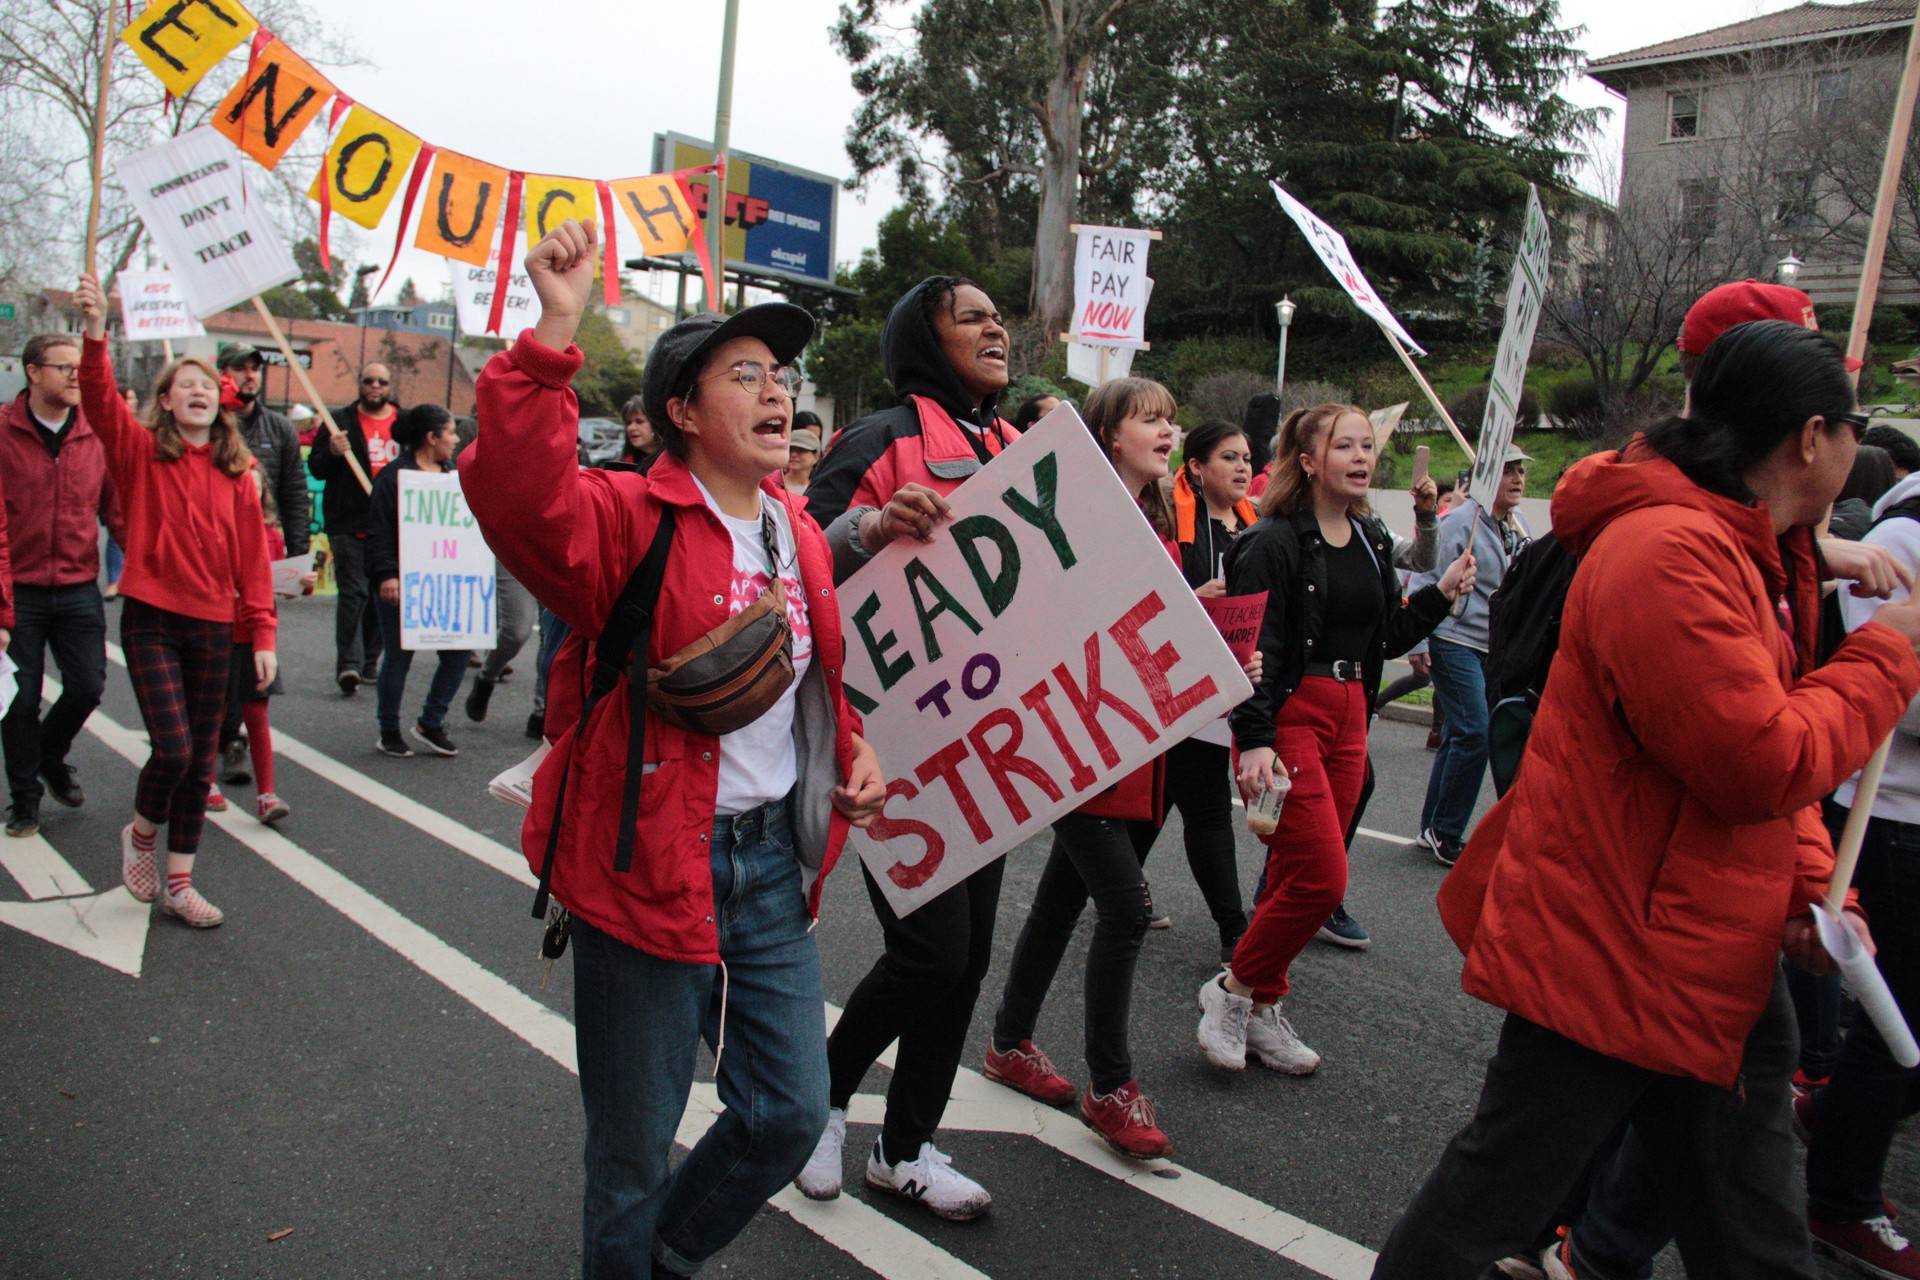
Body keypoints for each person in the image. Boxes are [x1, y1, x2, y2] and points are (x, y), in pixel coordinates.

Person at [1371, 320, 1920, 1279]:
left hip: (1711, 943)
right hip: (1613, 948)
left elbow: (1761, 768)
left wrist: (1812, 894)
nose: (1855, 449)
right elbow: (1760, 759)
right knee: (1483, 1211)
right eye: (1851, 427)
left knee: (1754, 1236)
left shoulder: (1755, 550)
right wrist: (1890, 653)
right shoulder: (1669, 555)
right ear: (1809, 437)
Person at [463, 217, 885, 1280]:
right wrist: (553, 334)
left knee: (789, 1111)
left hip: (768, 870)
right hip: (643, 865)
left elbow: (815, 674)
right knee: (631, 1149)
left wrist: (855, 750)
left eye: (781, 374)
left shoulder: (793, 526)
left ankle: (657, 1255)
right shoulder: (626, 516)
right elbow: (517, 495)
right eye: (745, 374)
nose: (777, 392)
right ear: (683, 412)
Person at [982, 383, 1261, 1161]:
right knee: (1128, 910)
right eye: (1151, 419)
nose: (1168, 430)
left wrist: (1210, 633)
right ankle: (1111, 1088)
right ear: (1106, 433)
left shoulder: (1151, 516)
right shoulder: (1083, 512)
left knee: (1060, 902)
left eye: (1172, 419)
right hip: (1076, 741)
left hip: (1127, 750)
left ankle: (1008, 1042)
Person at [796, 275, 1021, 1220]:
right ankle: (821, 1099)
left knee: (966, 961)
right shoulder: (877, 440)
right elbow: (799, 553)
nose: (994, 326)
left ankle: (905, 1149)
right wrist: (873, 529)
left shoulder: (1019, 448)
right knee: (930, 953)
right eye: (969, 316)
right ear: (921, 340)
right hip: (895, 744)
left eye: (996, 314)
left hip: (1001, 740)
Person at [1196, 403, 1474, 1076]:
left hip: (1351, 716)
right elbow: (1254, 648)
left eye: (1366, 446)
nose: (1361, 457)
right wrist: (1254, 737)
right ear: (1309, 459)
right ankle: (1232, 993)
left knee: (1297, 874)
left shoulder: (1372, 537)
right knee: (1322, 877)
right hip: (1290, 717)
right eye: (1344, 446)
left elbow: (1386, 639)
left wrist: (1438, 594)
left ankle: (1264, 1006)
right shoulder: (1271, 543)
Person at [75, 273, 277, 930]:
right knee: (174, 749)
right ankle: (139, 837)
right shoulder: (139, 453)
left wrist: (264, 634)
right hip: (153, 620)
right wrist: (96, 333)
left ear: (220, 405)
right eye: (182, 385)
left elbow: (253, 562)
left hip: (216, 626)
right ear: (165, 402)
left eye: (205, 386)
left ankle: (181, 882)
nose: (196, 391)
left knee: (201, 761)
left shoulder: (239, 475)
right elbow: (101, 400)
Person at [1800, 460, 1920, 1276]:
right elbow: (1870, 690)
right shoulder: (1902, 537)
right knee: (1896, 1025)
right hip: (1885, 815)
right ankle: (1840, 1195)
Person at [1, 333, 115, 839]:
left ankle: (51, 754)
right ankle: (25, 801)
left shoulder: (95, 433)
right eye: (63, 366)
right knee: (19, 700)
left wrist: (139, 563)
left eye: (79, 367)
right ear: (32, 372)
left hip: (76, 585)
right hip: (18, 589)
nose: (75, 375)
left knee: (89, 684)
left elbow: (118, 508)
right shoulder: (3, 431)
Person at [1159, 416, 1258, 960]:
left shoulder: (1256, 526)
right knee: (1205, 805)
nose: (1243, 467)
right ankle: (1234, 932)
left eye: (1246, 458)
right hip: (1175, 683)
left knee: (1161, 806)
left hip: (1233, 687)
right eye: (1229, 457)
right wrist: (1194, 599)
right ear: (1195, 468)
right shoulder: (1171, 522)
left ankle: (1117, 895)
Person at [1413, 446, 1532, 867]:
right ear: (1487, 478)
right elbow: (1424, 575)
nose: (1517, 479)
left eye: (1521, 471)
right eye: (1508, 471)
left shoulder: (1518, 526)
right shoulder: (1462, 520)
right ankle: (1446, 830)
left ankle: (1431, 825)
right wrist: (1418, 643)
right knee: (1476, 732)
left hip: (1490, 645)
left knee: (1459, 735)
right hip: (1452, 636)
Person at [214, 344, 311, 791]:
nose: (250, 375)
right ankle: (225, 736)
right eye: (239, 368)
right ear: (223, 374)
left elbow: (294, 495)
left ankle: (233, 736)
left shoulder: (279, 429)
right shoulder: (215, 424)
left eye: (255, 368)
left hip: (264, 555)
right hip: (216, 559)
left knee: (252, 650)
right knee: (220, 652)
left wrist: (297, 559)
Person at [366, 405, 471, 759]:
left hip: (447, 585)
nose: (455, 439)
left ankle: (432, 721)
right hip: (403, 583)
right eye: (451, 432)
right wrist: (387, 575)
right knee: (398, 656)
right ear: (431, 438)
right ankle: (389, 729)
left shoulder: (453, 478)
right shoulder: (394, 478)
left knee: (458, 653)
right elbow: (379, 532)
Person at [310, 362, 398, 694]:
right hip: (348, 521)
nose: (375, 386)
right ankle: (348, 663)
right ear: (360, 384)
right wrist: (332, 453)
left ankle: (369, 661)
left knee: (382, 594)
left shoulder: (402, 424)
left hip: (389, 522)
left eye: (382, 381)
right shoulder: (339, 423)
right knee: (353, 592)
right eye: (369, 381)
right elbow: (316, 468)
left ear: (390, 386)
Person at [783, 419, 821, 494]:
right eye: (790, 449)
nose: (793, 454)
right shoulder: (772, 486)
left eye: (801, 450)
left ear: (816, 457)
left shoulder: (818, 491)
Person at [620, 393, 660, 464]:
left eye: (639, 422)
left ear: (655, 424)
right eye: (628, 423)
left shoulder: (676, 461)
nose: (631, 428)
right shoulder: (622, 466)